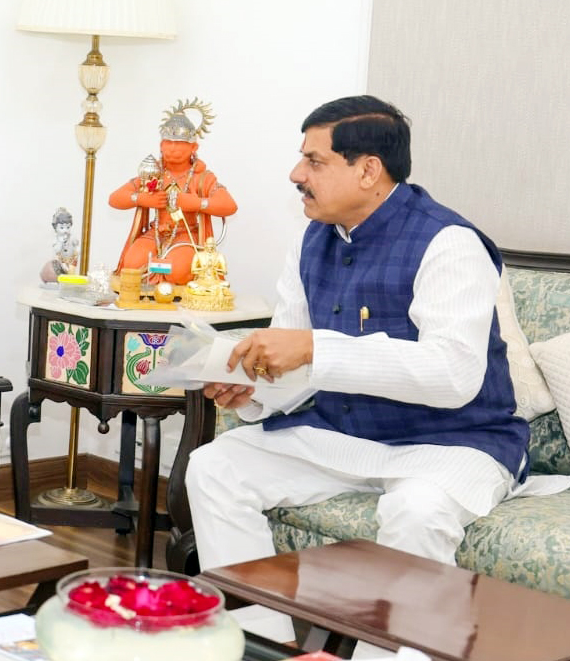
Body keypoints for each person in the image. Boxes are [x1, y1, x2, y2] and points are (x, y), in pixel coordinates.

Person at [186, 95, 552, 646]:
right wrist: (252, 390)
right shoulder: (311, 239)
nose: (296, 174)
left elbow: (453, 375)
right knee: (215, 467)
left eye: (314, 161)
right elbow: (294, 360)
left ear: (368, 170)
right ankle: (261, 645)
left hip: (454, 443)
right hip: (346, 435)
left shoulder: (449, 243)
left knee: (416, 510)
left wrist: (314, 349)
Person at [109, 99, 237, 285]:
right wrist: (141, 199)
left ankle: (167, 284)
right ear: (161, 145)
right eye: (168, 143)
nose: (172, 149)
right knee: (131, 267)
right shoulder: (153, 173)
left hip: (186, 235)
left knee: (177, 272)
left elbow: (230, 206)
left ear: (194, 147)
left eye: (179, 143)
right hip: (156, 233)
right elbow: (114, 199)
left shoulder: (202, 177)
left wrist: (197, 203)